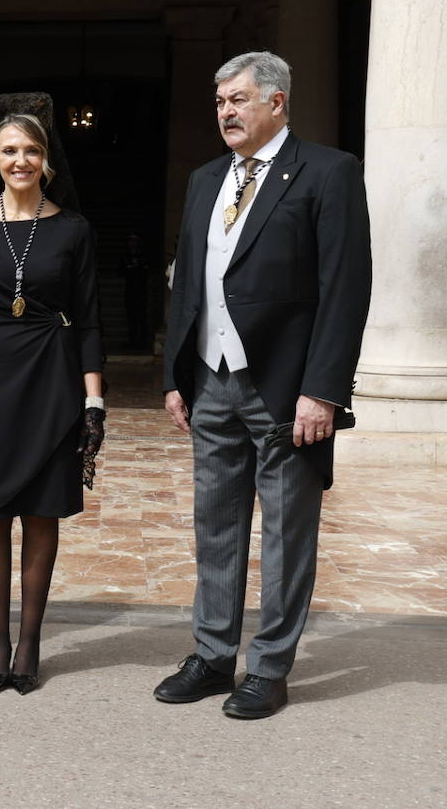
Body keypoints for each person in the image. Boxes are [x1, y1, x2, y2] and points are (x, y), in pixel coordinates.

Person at [157, 51, 371, 719]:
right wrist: (175, 375)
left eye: (239, 99)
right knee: (214, 528)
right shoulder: (204, 180)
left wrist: (324, 390)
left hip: (286, 387)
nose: (225, 110)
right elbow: (188, 282)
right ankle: (214, 655)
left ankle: (270, 667)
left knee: (285, 535)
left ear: (277, 102)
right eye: (220, 101)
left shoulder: (328, 172)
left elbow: (346, 287)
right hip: (211, 381)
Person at [0, 93, 104, 696]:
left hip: (51, 380)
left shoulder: (73, 229)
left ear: (46, 159)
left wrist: (93, 399)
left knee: (42, 510)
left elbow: (87, 321)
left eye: (32, 150)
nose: (21, 160)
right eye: (11, 150)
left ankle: (30, 638)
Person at [119, 232, 151, 350]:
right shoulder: (125, 256)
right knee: (131, 318)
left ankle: (143, 342)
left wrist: (135, 268)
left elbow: (145, 272)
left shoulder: (143, 256)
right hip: (130, 291)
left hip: (141, 292)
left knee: (142, 317)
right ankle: (133, 341)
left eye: (134, 241)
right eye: (130, 240)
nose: (132, 243)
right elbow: (121, 271)